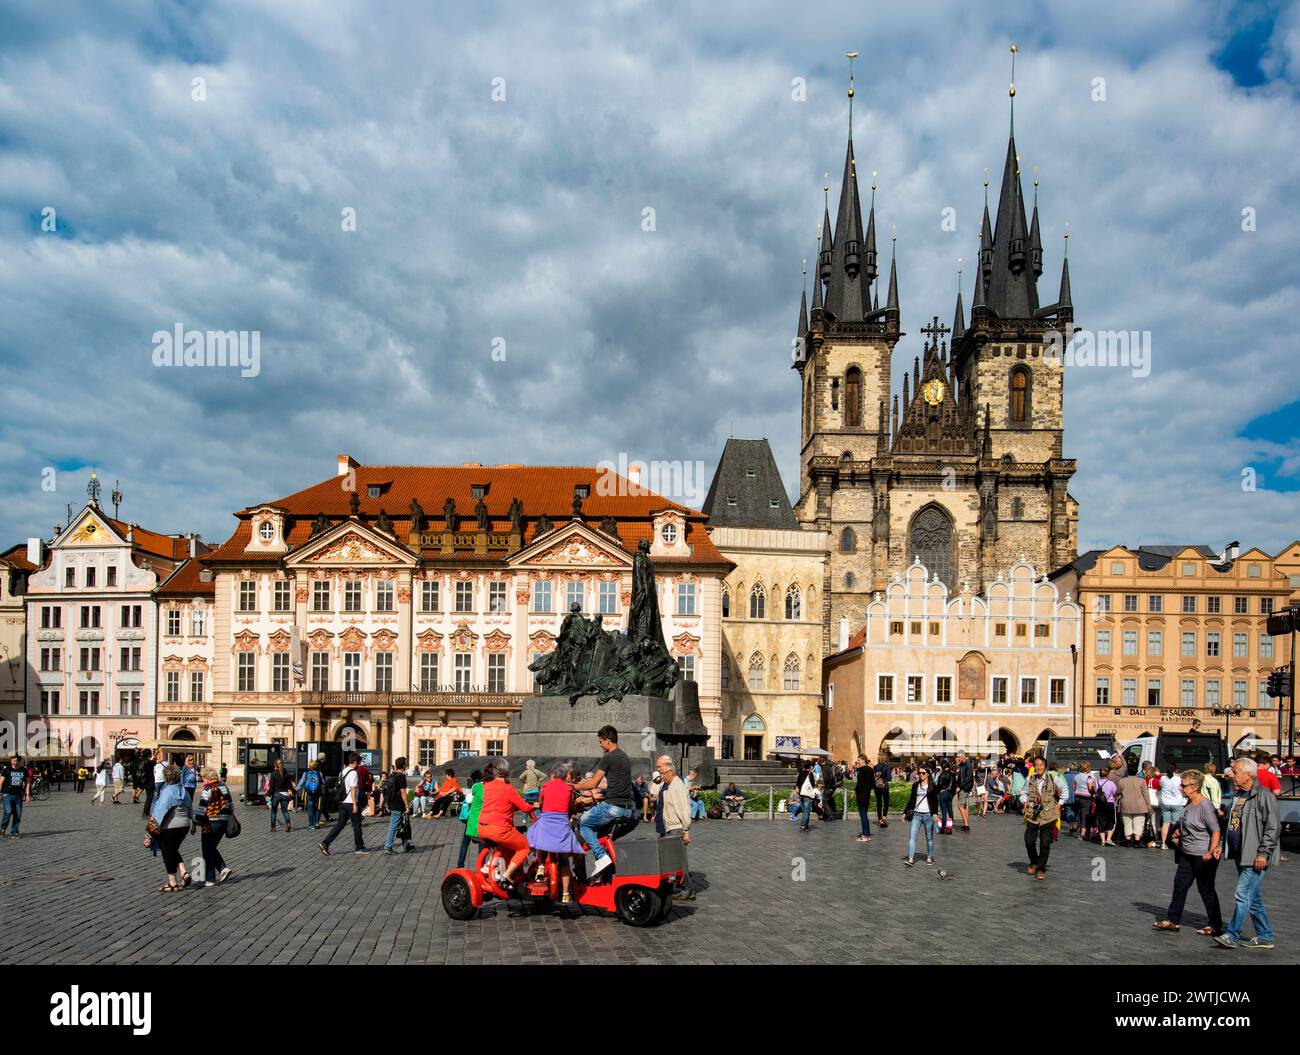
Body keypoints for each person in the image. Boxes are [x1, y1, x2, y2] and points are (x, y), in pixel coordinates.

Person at [1215, 757, 1280, 950]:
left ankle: (1232, 934)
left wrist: (1263, 853)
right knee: (1253, 896)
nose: (1231, 775)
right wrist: (1221, 843)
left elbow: (1273, 827)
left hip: (1255, 855)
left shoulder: (1264, 795)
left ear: (1248, 775)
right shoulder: (1238, 795)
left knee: (1243, 893)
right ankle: (1265, 936)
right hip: (1240, 853)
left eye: (1235, 772)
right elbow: (1231, 824)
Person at [1152, 769, 1222, 934]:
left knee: (1206, 889)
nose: (1181, 789)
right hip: (1187, 853)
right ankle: (1173, 920)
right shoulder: (1189, 804)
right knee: (1180, 885)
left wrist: (1211, 851)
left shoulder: (1205, 805)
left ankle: (1215, 925)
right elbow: (1188, 824)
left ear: (1195, 787)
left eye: (1184, 786)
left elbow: (1216, 830)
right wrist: (1179, 832)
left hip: (1202, 855)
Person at [572, 725, 638, 876]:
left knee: (584, 824)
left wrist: (572, 785)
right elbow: (615, 784)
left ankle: (601, 858)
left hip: (612, 807)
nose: (600, 745)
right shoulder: (624, 757)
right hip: (626, 809)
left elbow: (592, 783)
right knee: (598, 835)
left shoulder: (608, 757)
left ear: (607, 741)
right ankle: (605, 872)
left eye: (601, 742)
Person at [526, 763, 587, 904]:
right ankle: (565, 894)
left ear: (553, 774)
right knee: (564, 860)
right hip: (561, 828)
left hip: (547, 825)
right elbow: (571, 806)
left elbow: (541, 802)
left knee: (538, 838)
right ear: (565, 776)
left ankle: (541, 866)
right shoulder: (568, 789)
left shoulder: (546, 786)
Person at [475, 760, 538, 890]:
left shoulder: (487, 786)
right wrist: (536, 805)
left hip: (482, 827)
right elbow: (525, 808)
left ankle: (489, 866)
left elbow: (497, 803)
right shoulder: (509, 789)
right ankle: (507, 875)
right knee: (524, 847)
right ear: (507, 772)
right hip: (499, 829)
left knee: (508, 847)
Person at [145, 764, 194, 892]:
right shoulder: (183, 790)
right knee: (172, 849)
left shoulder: (166, 791)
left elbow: (158, 812)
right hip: (184, 826)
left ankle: (173, 882)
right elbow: (190, 807)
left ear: (166, 777)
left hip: (171, 826)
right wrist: (193, 824)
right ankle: (183, 872)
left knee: (167, 850)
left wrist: (148, 835)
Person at [653, 755, 693, 900]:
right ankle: (674, 887)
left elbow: (683, 809)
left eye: (661, 769)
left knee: (679, 860)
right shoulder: (667, 784)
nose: (659, 772)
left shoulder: (677, 784)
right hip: (666, 826)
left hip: (675, 827)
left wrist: (686, 830)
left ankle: (687, 889)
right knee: (669, 861)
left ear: (670, 770)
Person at [193, 765, 234, 886]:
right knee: (210, 848)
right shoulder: (224, 787)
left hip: (211, 822)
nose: (203, 781)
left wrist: (196, 822)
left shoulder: (208, 789)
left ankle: (222, 869)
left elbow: (202, 808)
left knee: (207, 848)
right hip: (224, 821)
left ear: (207, 777)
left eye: (203, 778)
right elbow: (230, 804)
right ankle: (210, 879)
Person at [320, 753, 368, 856]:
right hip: (351, 802)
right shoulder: (353, 773)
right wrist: (355, 804)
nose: (358, 765)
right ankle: (359, 847)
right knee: (357, 825)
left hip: (342, 802)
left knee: (340, 824)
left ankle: (325, 843)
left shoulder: (342, 772)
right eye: (358, 763)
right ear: (355, 762)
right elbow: (353, 788)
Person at [1021, 756, 1061, 880]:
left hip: (1048, 815)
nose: (1039, 767)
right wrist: (1024, 801)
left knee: (1045, 843)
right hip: (1033, 814)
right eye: (1036, 765)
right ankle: (1034, 860)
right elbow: (1023, 792)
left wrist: (1060, 803)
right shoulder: (1030, 779)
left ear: (1045, 766)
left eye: (1041, 765)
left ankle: (1041, 869)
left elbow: (1065, 790)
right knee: (1029, 840)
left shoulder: (1053, 778)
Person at [903, 766, 938, 866]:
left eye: (923, 773)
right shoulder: (915, 785)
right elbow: (911, 800)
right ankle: (910, 859)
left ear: (928, 774)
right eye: (919, 773)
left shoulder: (932, 786)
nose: (921, 775)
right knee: (912, 837)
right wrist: (904, 812)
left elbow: (935, 801)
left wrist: (935, 813)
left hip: (928, 815)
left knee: (929, 837)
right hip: (916, 815)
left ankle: (929, 857)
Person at [382, 757, 414, 855]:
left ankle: (405, 845)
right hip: (398, 804)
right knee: (394, 826)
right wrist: (407, 805)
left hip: (392, 803)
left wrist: (387, 804)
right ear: (403, 765)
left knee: (402, 824)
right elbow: (403, 791)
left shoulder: (392, 774)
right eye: (405, 763)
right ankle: (388, 847)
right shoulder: (401, 776)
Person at [458, 768, 487, 870]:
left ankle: (460, 865)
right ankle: (481, 867)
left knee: (465, 843)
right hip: (483, 820)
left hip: (472, 819)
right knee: (482, 845)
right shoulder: (487, 787)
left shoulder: (476, 787)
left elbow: (468, 800)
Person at [1115, 765, 1151, 848]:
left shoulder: (1122, 781)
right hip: (1139, 805)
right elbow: (1146, 794)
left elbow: (1118, 792)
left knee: (1127, 823)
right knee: (1139, 822)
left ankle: (1127, 841)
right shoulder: (1142, 781)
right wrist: (1148, 804)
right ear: (1136, 772)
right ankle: (1137, 841)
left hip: (1126, 805)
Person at [0, 755, 30, 836]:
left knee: (18, 813)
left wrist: (27, 794)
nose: (13, 762)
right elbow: (1, 781)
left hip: (18, 795)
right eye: (12, 760)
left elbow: (27, 782)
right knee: (8, 811)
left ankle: (14, 831)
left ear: (19, 761)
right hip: (7, 794)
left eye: (15, 760)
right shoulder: (7, 770)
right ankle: (2, 828)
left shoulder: (24, 770)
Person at [268, 759, 295, 832]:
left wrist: (268, 794)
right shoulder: (286, 773)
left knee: (273, 811)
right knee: (285, 811)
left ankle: (273, 827)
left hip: (276, 795)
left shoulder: (273, 774)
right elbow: (290, 785)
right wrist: (293, 791)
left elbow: (271, 787)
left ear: (275, 765)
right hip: (285, 794)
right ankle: (288, 824)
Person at [1093, 766, 1118, 847]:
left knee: (1100, 822)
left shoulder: (1096, 783)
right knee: (1111, 821)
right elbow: (1115, 793)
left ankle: (1103, 841)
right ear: (1107, 774)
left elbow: (1095, 791)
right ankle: (1109, 838)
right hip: (1109, 803)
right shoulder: (1111, 783)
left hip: (1099, 804)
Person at [953, 751, 976, 832]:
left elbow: (968, 778)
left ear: (963, 756)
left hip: (965, 787)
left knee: (960, 805)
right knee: (964, 806)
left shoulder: (968, 764)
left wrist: (960, 787)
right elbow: (960, 776)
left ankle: (966, 826)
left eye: (959, 756)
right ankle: (966, 824)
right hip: (963, 786)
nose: (958, 758)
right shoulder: (962, 764)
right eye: (957, 756)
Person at [300, 760, 325, 829]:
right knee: (317, 808)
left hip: (309, 793)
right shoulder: (319, 773)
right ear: (315, 765)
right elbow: (323, 782)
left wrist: (295, 790)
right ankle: (317, 823)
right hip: (317, 793)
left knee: (310, 809)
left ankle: (311, 825)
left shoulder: (306, 773)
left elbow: (301, 783)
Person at [793, 764, 817, 832]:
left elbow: (797, 784)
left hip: (801, 795)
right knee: (806, 812)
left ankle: (806, 826)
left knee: (805, 811)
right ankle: (803, 826)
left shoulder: (800, 774)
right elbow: (812, 784)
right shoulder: (810, 774)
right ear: (809, 767)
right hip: (808, 795)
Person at [1071, 762, 1093, 837]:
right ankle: (1083, 833)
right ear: (1087, 768)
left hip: (1077, 797)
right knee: (1085, 815)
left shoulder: (1076, 776)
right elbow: (1090, 788)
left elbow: (1074, 787)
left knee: (1079, 814)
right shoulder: (1088, 777)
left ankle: (1079, 831)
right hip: (1086, 798)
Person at [872, 754, 892, 827]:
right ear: (884, 759)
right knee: (886, 802)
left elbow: (872, 777)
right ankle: (884, 817)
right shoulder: (886, 767)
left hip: (877, 787)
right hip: (884, 787)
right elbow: (889, 778)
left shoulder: (875, 767)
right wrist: (885, 780)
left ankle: (880, 819)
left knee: (879, 803)